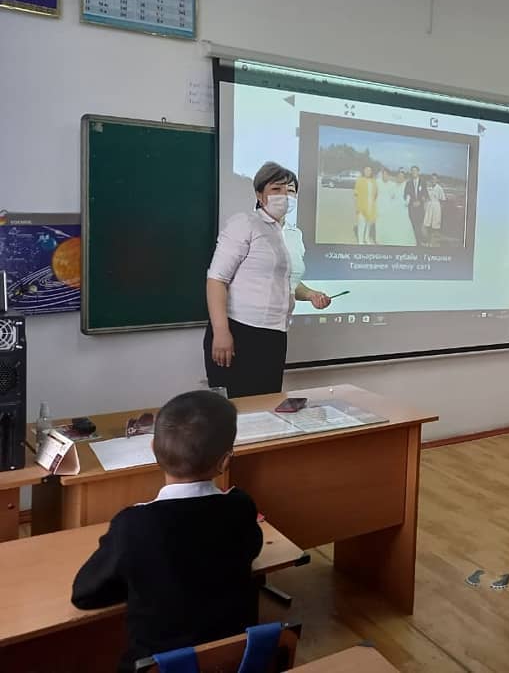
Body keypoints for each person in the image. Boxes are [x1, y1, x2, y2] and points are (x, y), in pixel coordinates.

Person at [71, 391, 263, 673]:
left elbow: (85, 594)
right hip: (232, 663)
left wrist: (141, 582)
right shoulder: (240, 506)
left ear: (153, 448)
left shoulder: (133, 525)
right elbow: (252, 549)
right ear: (225, 461)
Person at [205, 162, 331, 397]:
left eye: (290, 190)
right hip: (239, 331)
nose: (285, 195)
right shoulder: (245, 224)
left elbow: (288, 282)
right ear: (259, 194)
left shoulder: (294, 235)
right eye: (276, 189)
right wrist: (221, 332)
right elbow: (216, 280)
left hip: (275, 335)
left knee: (266, 407)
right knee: (235, 409)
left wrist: (310, 294)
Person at [375, 168, 416, 246]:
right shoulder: (394, 184)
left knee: (402, 223)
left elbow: (409, 194)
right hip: (394, 205)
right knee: (392, 222)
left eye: (402, 176)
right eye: (399, 176)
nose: (400, 178)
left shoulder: (406, 184)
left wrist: (407, 201)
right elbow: (391, 194)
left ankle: (402, 240)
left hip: (402, 206)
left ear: (404, 177)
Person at [353, 165, 378, 245]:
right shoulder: (359, 180)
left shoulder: (373, 181)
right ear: (363, 171)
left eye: (369, 170)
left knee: (369, 225)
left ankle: (366, 239)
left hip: (371, 206)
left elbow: (376, 194)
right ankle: (360, 241)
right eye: (366, 170)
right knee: (362, 224)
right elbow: (356, 194)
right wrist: (357, 207)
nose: (368, 172)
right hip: (361, 207)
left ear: (371, 172)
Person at [403, 165, 428, 246]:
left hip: (420, 208)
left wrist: (420, 201)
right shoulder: (408, 183)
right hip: (412, 208)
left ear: (418, 172)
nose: (414, 172)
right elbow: (405, 194)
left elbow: (425, 194)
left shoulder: (423, 182)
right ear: (411, 172)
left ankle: (419, 241)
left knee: (419, 225)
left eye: (415, 171)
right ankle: (416, 242)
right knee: (413, 225)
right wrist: (411, 202)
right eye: (412, 171)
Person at [423, 173, 446, 246]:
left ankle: (432, 242)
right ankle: (427, 241)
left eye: (435, 179)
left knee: (434, 226)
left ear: (437, 180)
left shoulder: (439, 188)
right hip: (429, 206)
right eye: (432, 179)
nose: (433, 180)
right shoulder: (428, 188)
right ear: (430, 180)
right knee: (427, 225)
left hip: (436, 207)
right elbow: (426, 198)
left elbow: (443, 200)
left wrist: (440, 210)